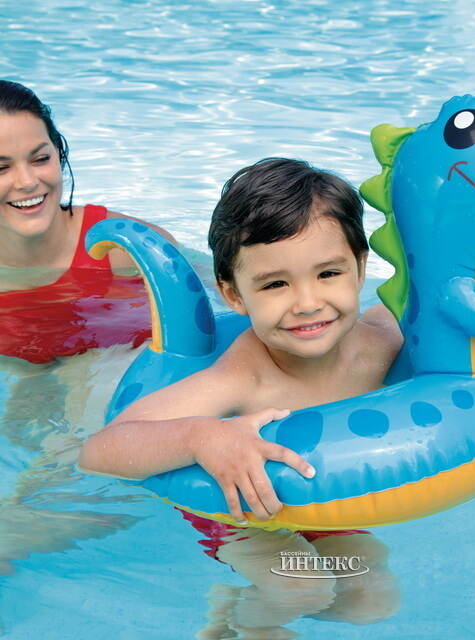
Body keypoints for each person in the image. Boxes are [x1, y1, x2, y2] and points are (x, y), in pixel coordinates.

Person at [79, 158, 403, 631]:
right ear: (233, 296)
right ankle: (245, 625)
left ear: (359, 268)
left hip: (320, 498)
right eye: (275, 284)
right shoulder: (243, 378)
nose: (308, 303)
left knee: (372, 601)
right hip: (239, 513)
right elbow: (101, 451)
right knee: (302, 585)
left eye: (328, 274)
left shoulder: (386, 341)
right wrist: (202, 439)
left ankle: (237, 602)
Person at [0, 80, 176, 363]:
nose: (28, 181)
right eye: (1, 168)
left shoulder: (130, 249)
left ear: (59, 154)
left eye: (40, 159)